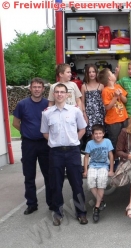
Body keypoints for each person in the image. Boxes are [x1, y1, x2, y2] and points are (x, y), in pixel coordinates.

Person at [40, 84, 87, 226]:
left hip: (73, 151)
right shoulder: (46, 113)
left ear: (67, 95)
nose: (60, 94)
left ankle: (81, 213)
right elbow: (45, 133)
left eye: (62, 92)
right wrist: (55, 143)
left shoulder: (75, 111)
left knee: (77, 184)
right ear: (53, 95)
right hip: (55, 153)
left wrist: (73, 141)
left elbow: (83, 128)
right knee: (55, 184)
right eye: (57, 92)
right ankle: (58, 213)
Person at [13, 77, 52, 215]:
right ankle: (31, 204)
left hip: (44, 143)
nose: (36, 89)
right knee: (29, 175)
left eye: (39, 87)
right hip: (28, 144)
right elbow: (16, 123)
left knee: (48, 174)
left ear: (43, 89)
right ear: (30, 89)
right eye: (34, 87)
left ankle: (51, 203)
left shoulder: (48, 104)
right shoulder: (22, 104)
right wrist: (26, 132)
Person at [82, 124, 114, 223]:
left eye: (100, 133)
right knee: (90, 183)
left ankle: (96, 207)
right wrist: (86, 170)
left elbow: (111, 156)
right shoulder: (90, 143)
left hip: (104, 165)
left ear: (103, 134)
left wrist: (111, 170)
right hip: (93, 165)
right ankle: (101, 201)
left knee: (101, 182)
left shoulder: (107, 142)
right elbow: (86, 157)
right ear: (92, 134)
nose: (98, 135)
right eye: (96, 133)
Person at [99, 68, 128, 160]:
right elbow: (107, 107)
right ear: (109, 78)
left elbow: (125, 100)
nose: (113, 74)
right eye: (111, 73)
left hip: (123, 118)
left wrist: (120, 95)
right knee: (114, 141)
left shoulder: (118, 86)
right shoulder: (105, 91)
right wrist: (115, 97)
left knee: (125, 139)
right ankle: (114, 161)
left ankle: (124, 158)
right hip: (113, 121)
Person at [80, 64, 105, 140]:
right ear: (87, 74)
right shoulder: (84, 86)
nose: (91, 74)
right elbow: (82, 102)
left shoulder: (101, 86)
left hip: (100, 113)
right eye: (89, 72)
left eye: (93, 71)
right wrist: (84, 114)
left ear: (96, 73)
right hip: (89, 114)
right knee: (91, 134)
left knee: (100, 133)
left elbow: (104, 101)